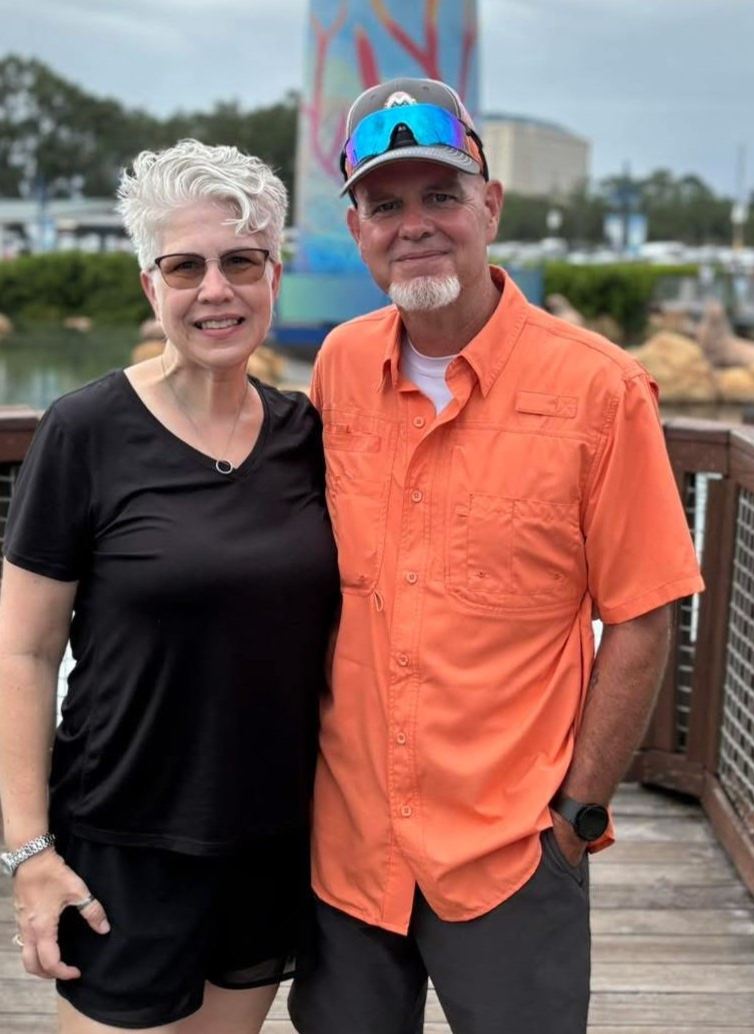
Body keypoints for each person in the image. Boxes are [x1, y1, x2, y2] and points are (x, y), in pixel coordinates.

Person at [288, 78, 705, 1034]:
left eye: (440, 194)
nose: (414, 225)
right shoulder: (338, 366)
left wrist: (578, 814)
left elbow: (641, 617)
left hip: (510, 852)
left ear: (491, 205)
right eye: (385, 205)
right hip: (347, 847)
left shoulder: (601, 391)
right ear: (356, 229)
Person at [0, 139, 339, 1033]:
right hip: (123, 841)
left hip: (268, 838)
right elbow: (24, 652)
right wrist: (29, 852)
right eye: (185, 266)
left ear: (273, 276)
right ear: (151, 286)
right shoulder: (84, 430)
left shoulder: (308, 436)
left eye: (241, 263)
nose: (215, 290)